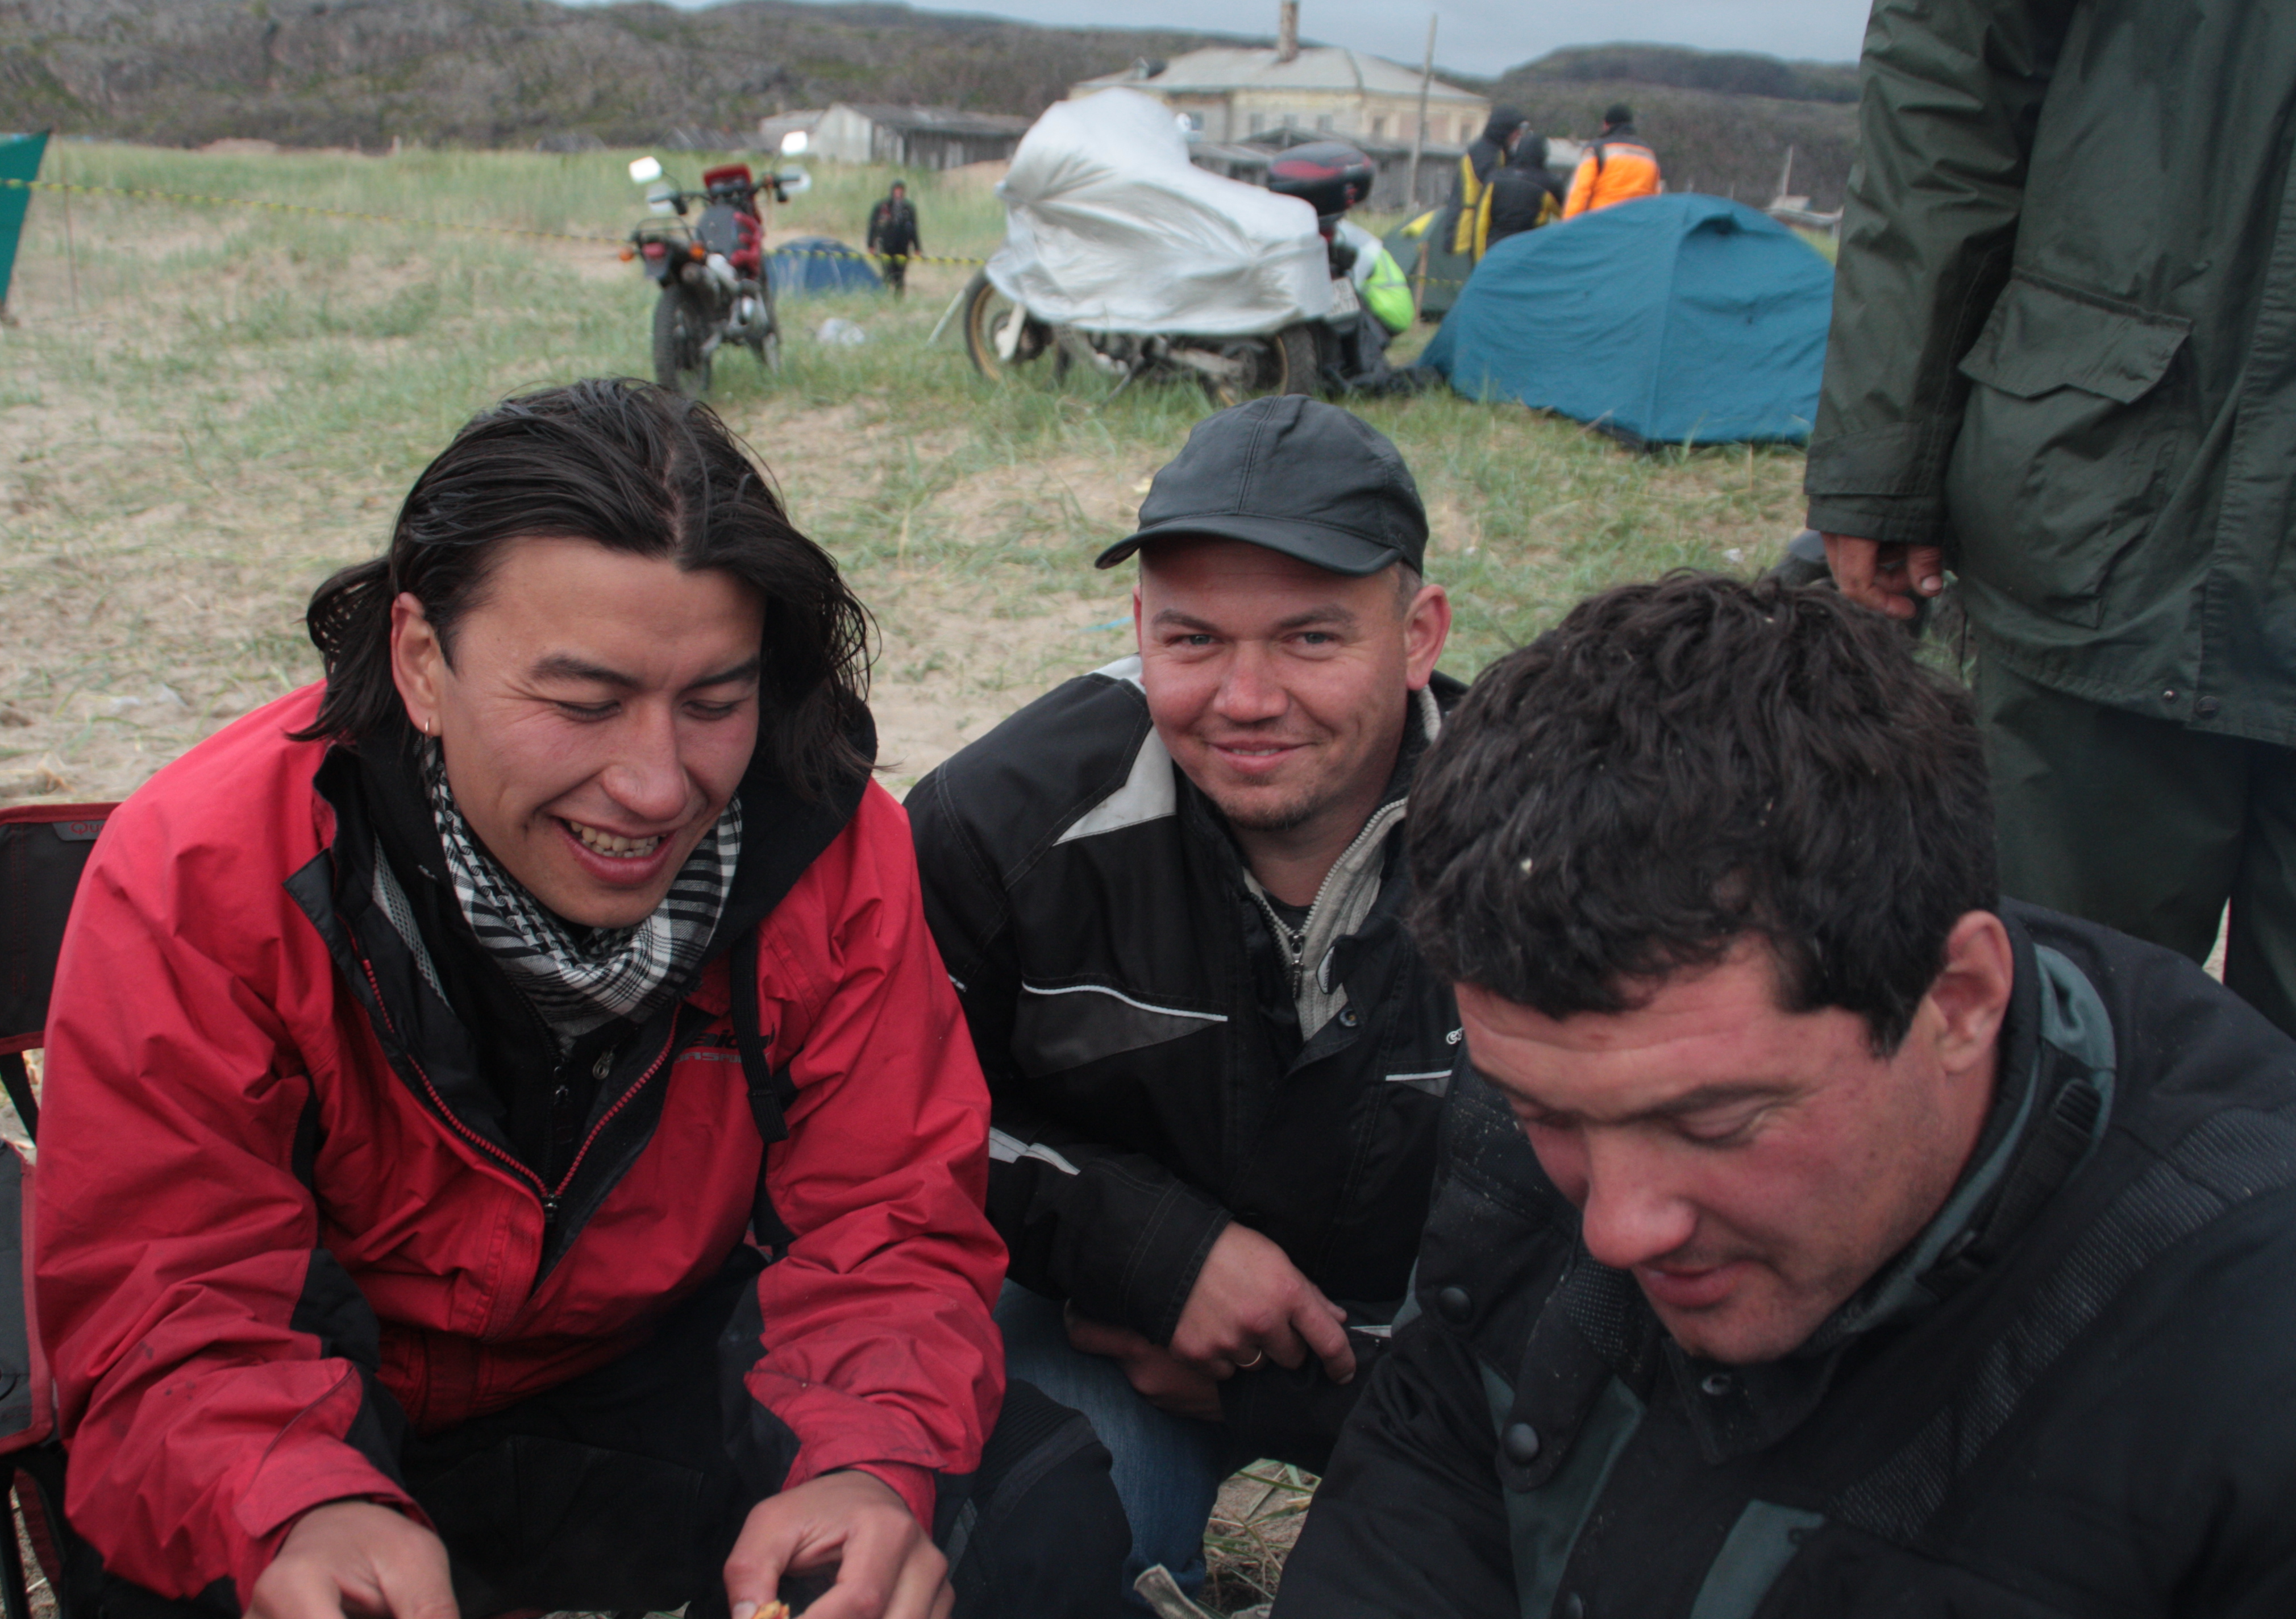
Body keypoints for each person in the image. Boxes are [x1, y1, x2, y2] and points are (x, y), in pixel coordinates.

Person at [31, 379, 1128, 1619]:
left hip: (648, 1375)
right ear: (420, 662)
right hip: (317, 1392)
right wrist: (293, 1499)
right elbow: (166, 1287)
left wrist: (865, 1466)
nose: (657, 786)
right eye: (582, 704)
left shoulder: (831, 852)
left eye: (714, 701)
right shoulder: (205, 871)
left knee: (1022, 1517)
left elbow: (886, 1225)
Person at [1273, 573, 2296, 1617]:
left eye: (1713, 1123)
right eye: (1546, 1116)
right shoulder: (1573, 1040)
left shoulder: (2248, 1360)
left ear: (1959, 1001)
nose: (1618, 1229)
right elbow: (1434, 1461)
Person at [907, 395, 1462, 1608]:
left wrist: (1301, 1388)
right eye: (1194, 638)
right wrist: (1156, 1250)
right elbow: (883, 1118)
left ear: (1418, 633)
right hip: (1113, 1328)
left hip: (1450, 1366)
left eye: (1310, 637)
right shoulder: (999, 823)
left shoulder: (1538, 845)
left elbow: (1607, 1261)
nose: (1246, 697)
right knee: (1025, 1531)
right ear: (1138, 630)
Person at [1806, 0, 2295, 1038]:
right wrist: (1886, 461)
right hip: (2112, 494)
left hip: (2095, 477)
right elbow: (1951, 68)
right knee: (2053, 1036)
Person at [1449, 106, 1530, 259]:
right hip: (1469, 226)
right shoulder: (1487, 154)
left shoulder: (1494, 150)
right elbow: (1495, 191)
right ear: (1504, 130)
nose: (1519, 135)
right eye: (1516, 130)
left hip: (1477, 222)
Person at [1561, 103, 1661, 218]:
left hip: (1604, 221)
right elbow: (1656, 195)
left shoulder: (1596, 150)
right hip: (1639, 222)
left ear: (1606, 125)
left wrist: (1569, 223)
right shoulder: (1648, 153)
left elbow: (1580, 191)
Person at [1476, 132, 1561, 254]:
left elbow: (1481, 224)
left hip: (1495, 251)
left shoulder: (1495, 178)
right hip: (1528, 253)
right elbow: (1569, 216)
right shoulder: (1549, 183)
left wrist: (1481, 260)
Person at [867, 181, 921, 297]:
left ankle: (898, 299)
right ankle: (884, 298)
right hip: (887, 246)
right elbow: (873, 226)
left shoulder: (909, 209)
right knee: (887, 274)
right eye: (897, 191)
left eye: (901, 191)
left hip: (903, 247)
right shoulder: (882, 207)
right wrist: (871, 244)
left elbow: (914, 229)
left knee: (900, 276)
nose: (899, 194)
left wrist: (917, 247)